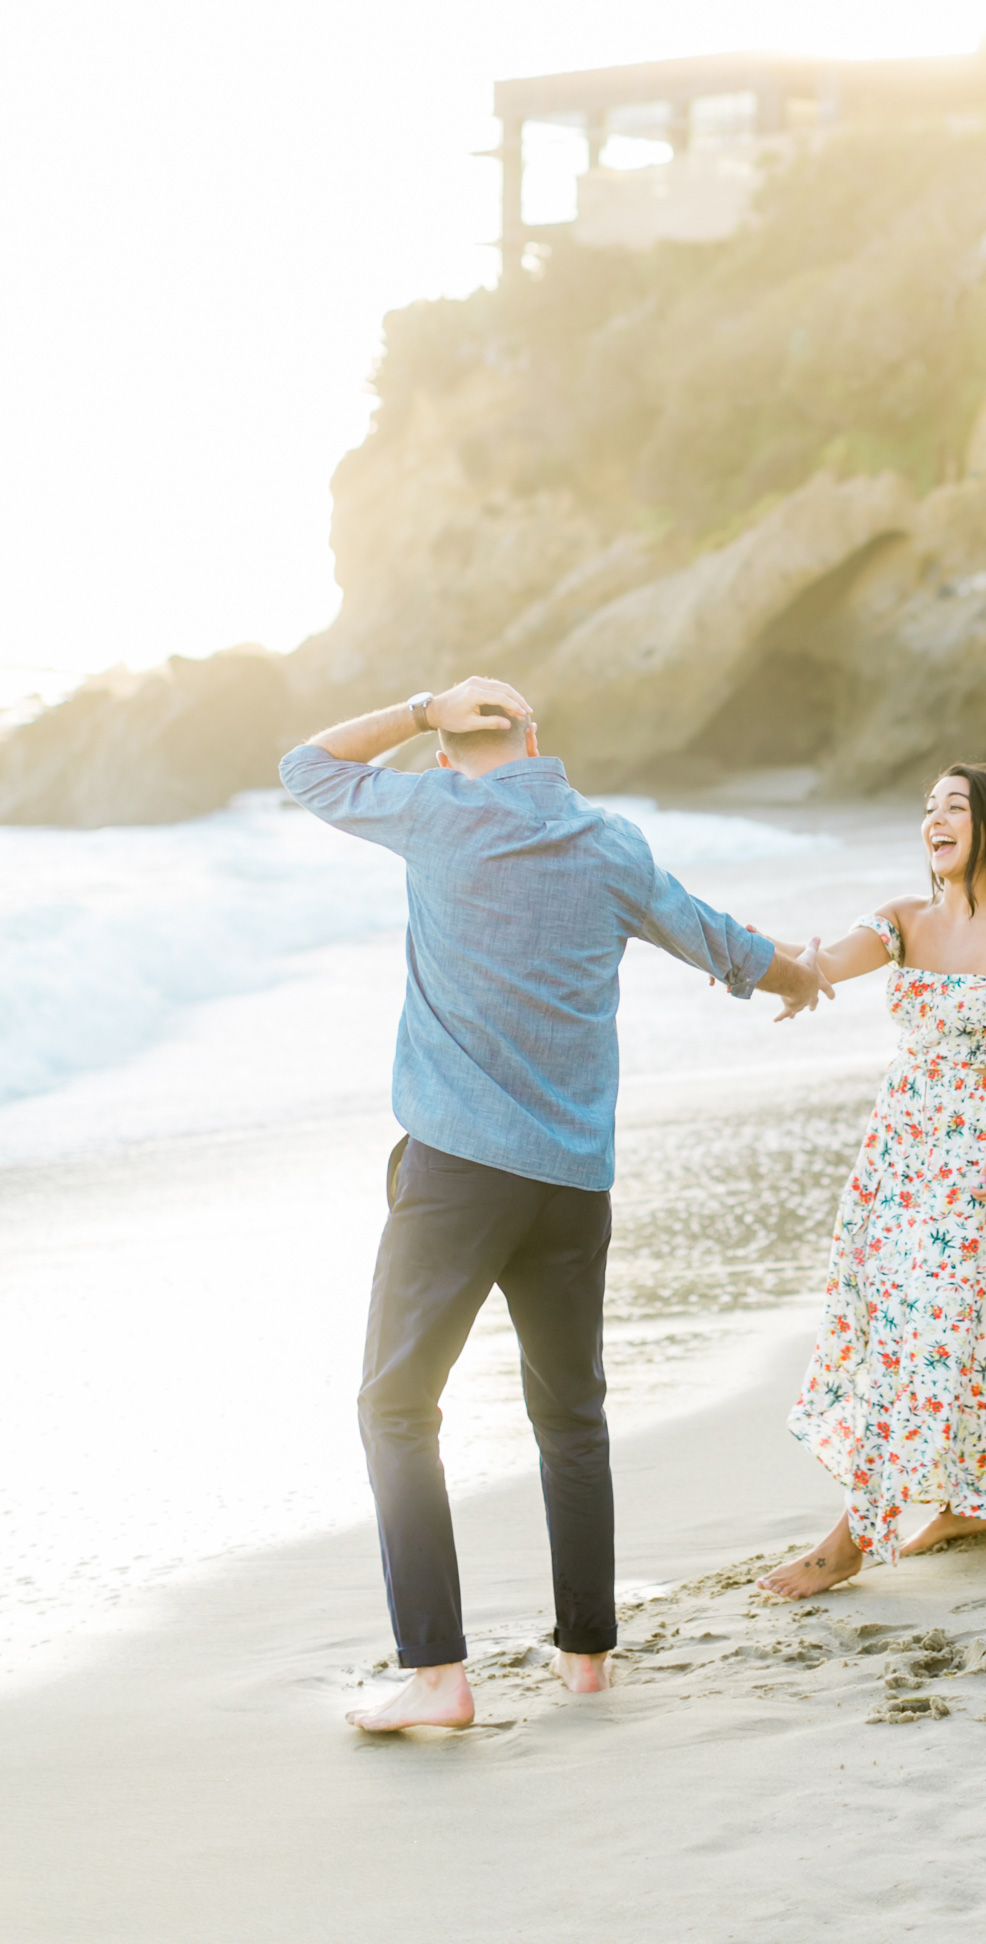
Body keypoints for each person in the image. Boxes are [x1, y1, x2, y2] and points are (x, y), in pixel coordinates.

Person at [279, 676, 830, 1729]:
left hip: (457, 1173)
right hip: (573, 1179)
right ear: (537, 735)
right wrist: (796, 972)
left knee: (396, 1408)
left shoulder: (434, 813)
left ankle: (438, 1676)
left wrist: (416, 705)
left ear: (450, 747)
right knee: (571, 1418)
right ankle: (587, 1662)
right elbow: (721, 943)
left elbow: (306, 768)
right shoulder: (609, 842)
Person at [759, 761, 986, 1600]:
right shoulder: (903, 920)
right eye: (927, 809)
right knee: (895, 1330)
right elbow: (823, 963)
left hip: (976, 1161)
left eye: (954, 807)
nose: (934, 821)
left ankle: (851, 1537)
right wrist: (742, 958)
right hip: (897, 1152)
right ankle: (965, 1501)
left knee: (939, 1333)